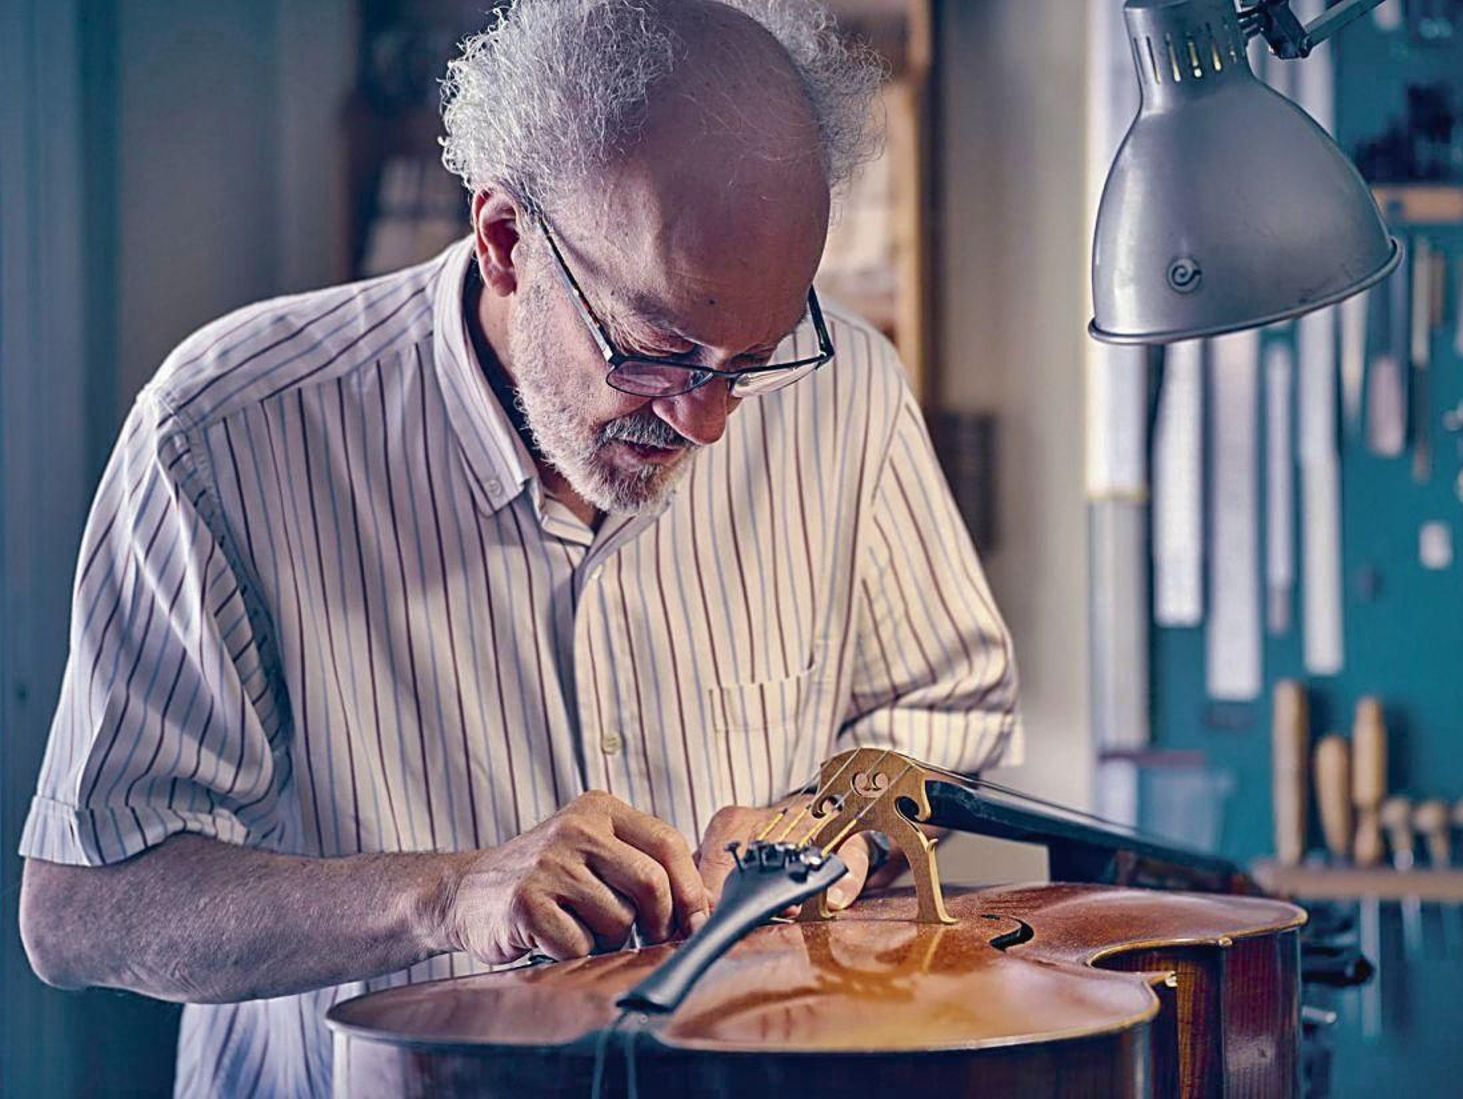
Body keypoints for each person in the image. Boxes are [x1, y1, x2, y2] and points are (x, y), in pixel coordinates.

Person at [19, 1, 1019, 1095]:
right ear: (504, 241)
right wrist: (442, 896)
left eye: (754, 359)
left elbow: (944, 716)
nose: (707, 422)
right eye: (656, 350)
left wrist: (826, 830)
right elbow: (81, 914)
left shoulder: (848, 389)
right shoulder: (223, 432)